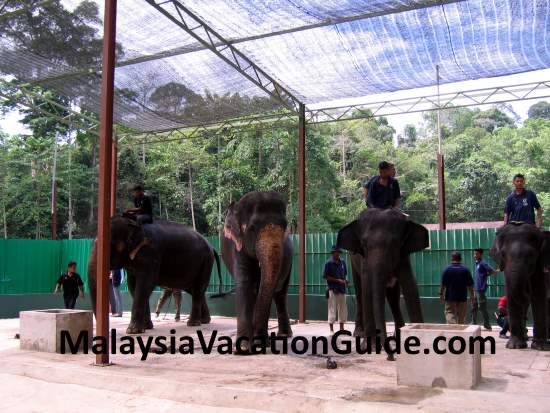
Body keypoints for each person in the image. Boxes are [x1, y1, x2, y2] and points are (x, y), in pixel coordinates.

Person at [440, 251, 475, 324]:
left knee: (449, 313)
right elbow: (470, 285)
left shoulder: (446, 270)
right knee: (461, 316)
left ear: (452, 258)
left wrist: (441, 294)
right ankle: (460, 332)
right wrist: (472, 296)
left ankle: (453, 327)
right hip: (462, 297)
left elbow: (443, 284)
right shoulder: (466, 270)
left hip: (450, 297)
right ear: (460, 258)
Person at [323, 245, 348, 334]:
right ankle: (331, 330)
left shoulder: (343, 262)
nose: (337, 254)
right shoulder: (328, 263)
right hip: (333, 289)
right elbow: (325, 276)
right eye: (336, 252)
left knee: (343, 309)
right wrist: (338, 280)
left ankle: (341, 328)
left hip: (342, 289)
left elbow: (345, 274)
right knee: (332, 309)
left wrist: (345, 280)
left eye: (338, 252)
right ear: (333, 253)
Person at [471, 248, 497, 331]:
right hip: (476, 288)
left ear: (480, 254)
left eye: (476, 254)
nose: (474, 255)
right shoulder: (477, 263)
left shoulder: (483, 263)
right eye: (474, 254)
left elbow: (492, 271)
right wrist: (484, 275)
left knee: (482, 307)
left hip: (480, 289)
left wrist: (485, 275)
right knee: (474, 307)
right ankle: (473, 323)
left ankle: (487, 324)